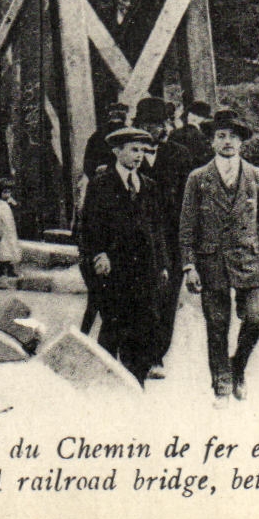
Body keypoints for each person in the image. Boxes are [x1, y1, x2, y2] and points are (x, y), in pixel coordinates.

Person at [179, 108, 259, 405]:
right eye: (221, 136)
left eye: (233, 137)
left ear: (241, 142)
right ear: (211, 142)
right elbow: (187, 226)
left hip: (249, 260)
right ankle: (222, 386)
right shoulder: (198, 178)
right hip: (212, 261)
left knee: (256, 317)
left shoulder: (257, 177)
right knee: (217, 324)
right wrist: (189, 265)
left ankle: (237, 368)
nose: (227, 142)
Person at [76, 126, 171, 384]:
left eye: (142, 150)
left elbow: (157, 228)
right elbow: (90, 225)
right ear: (117, 152)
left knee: (142, 328)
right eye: (133, 150)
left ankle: (135, 385)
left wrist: (162, 263)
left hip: (144, 271)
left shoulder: (149, 186)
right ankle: (104, 382)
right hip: (114, 270)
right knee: (113, 327)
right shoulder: (101, 185)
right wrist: (99, 254)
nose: (139, 155)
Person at [138, 96, 196, 379]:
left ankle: (157, 355)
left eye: (158, 124)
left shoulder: (179, 154)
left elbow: (189, 199)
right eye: (147, 124)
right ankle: (139, 353)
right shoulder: (130, 154)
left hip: (172, 238)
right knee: (142, 295)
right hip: (140, 238)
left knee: (168, 297)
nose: (153, 130)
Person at [77, 102, 130, 337]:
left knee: (98, 298)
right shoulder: (122, 137)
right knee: (102, 298)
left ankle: (86, 335)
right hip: (106, 230)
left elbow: (87, 166)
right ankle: (88, 336)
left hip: (100, 237)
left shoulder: (97, 137)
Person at [0, 178, 22, 281]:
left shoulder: (6, 204)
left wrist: (13, 204)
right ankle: (1, 270)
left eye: (9, 192)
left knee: (10, 249)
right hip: (2, 231)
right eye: (5, 192)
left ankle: (10, 268)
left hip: (9, 231)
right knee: (2, 250)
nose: (8, 195)